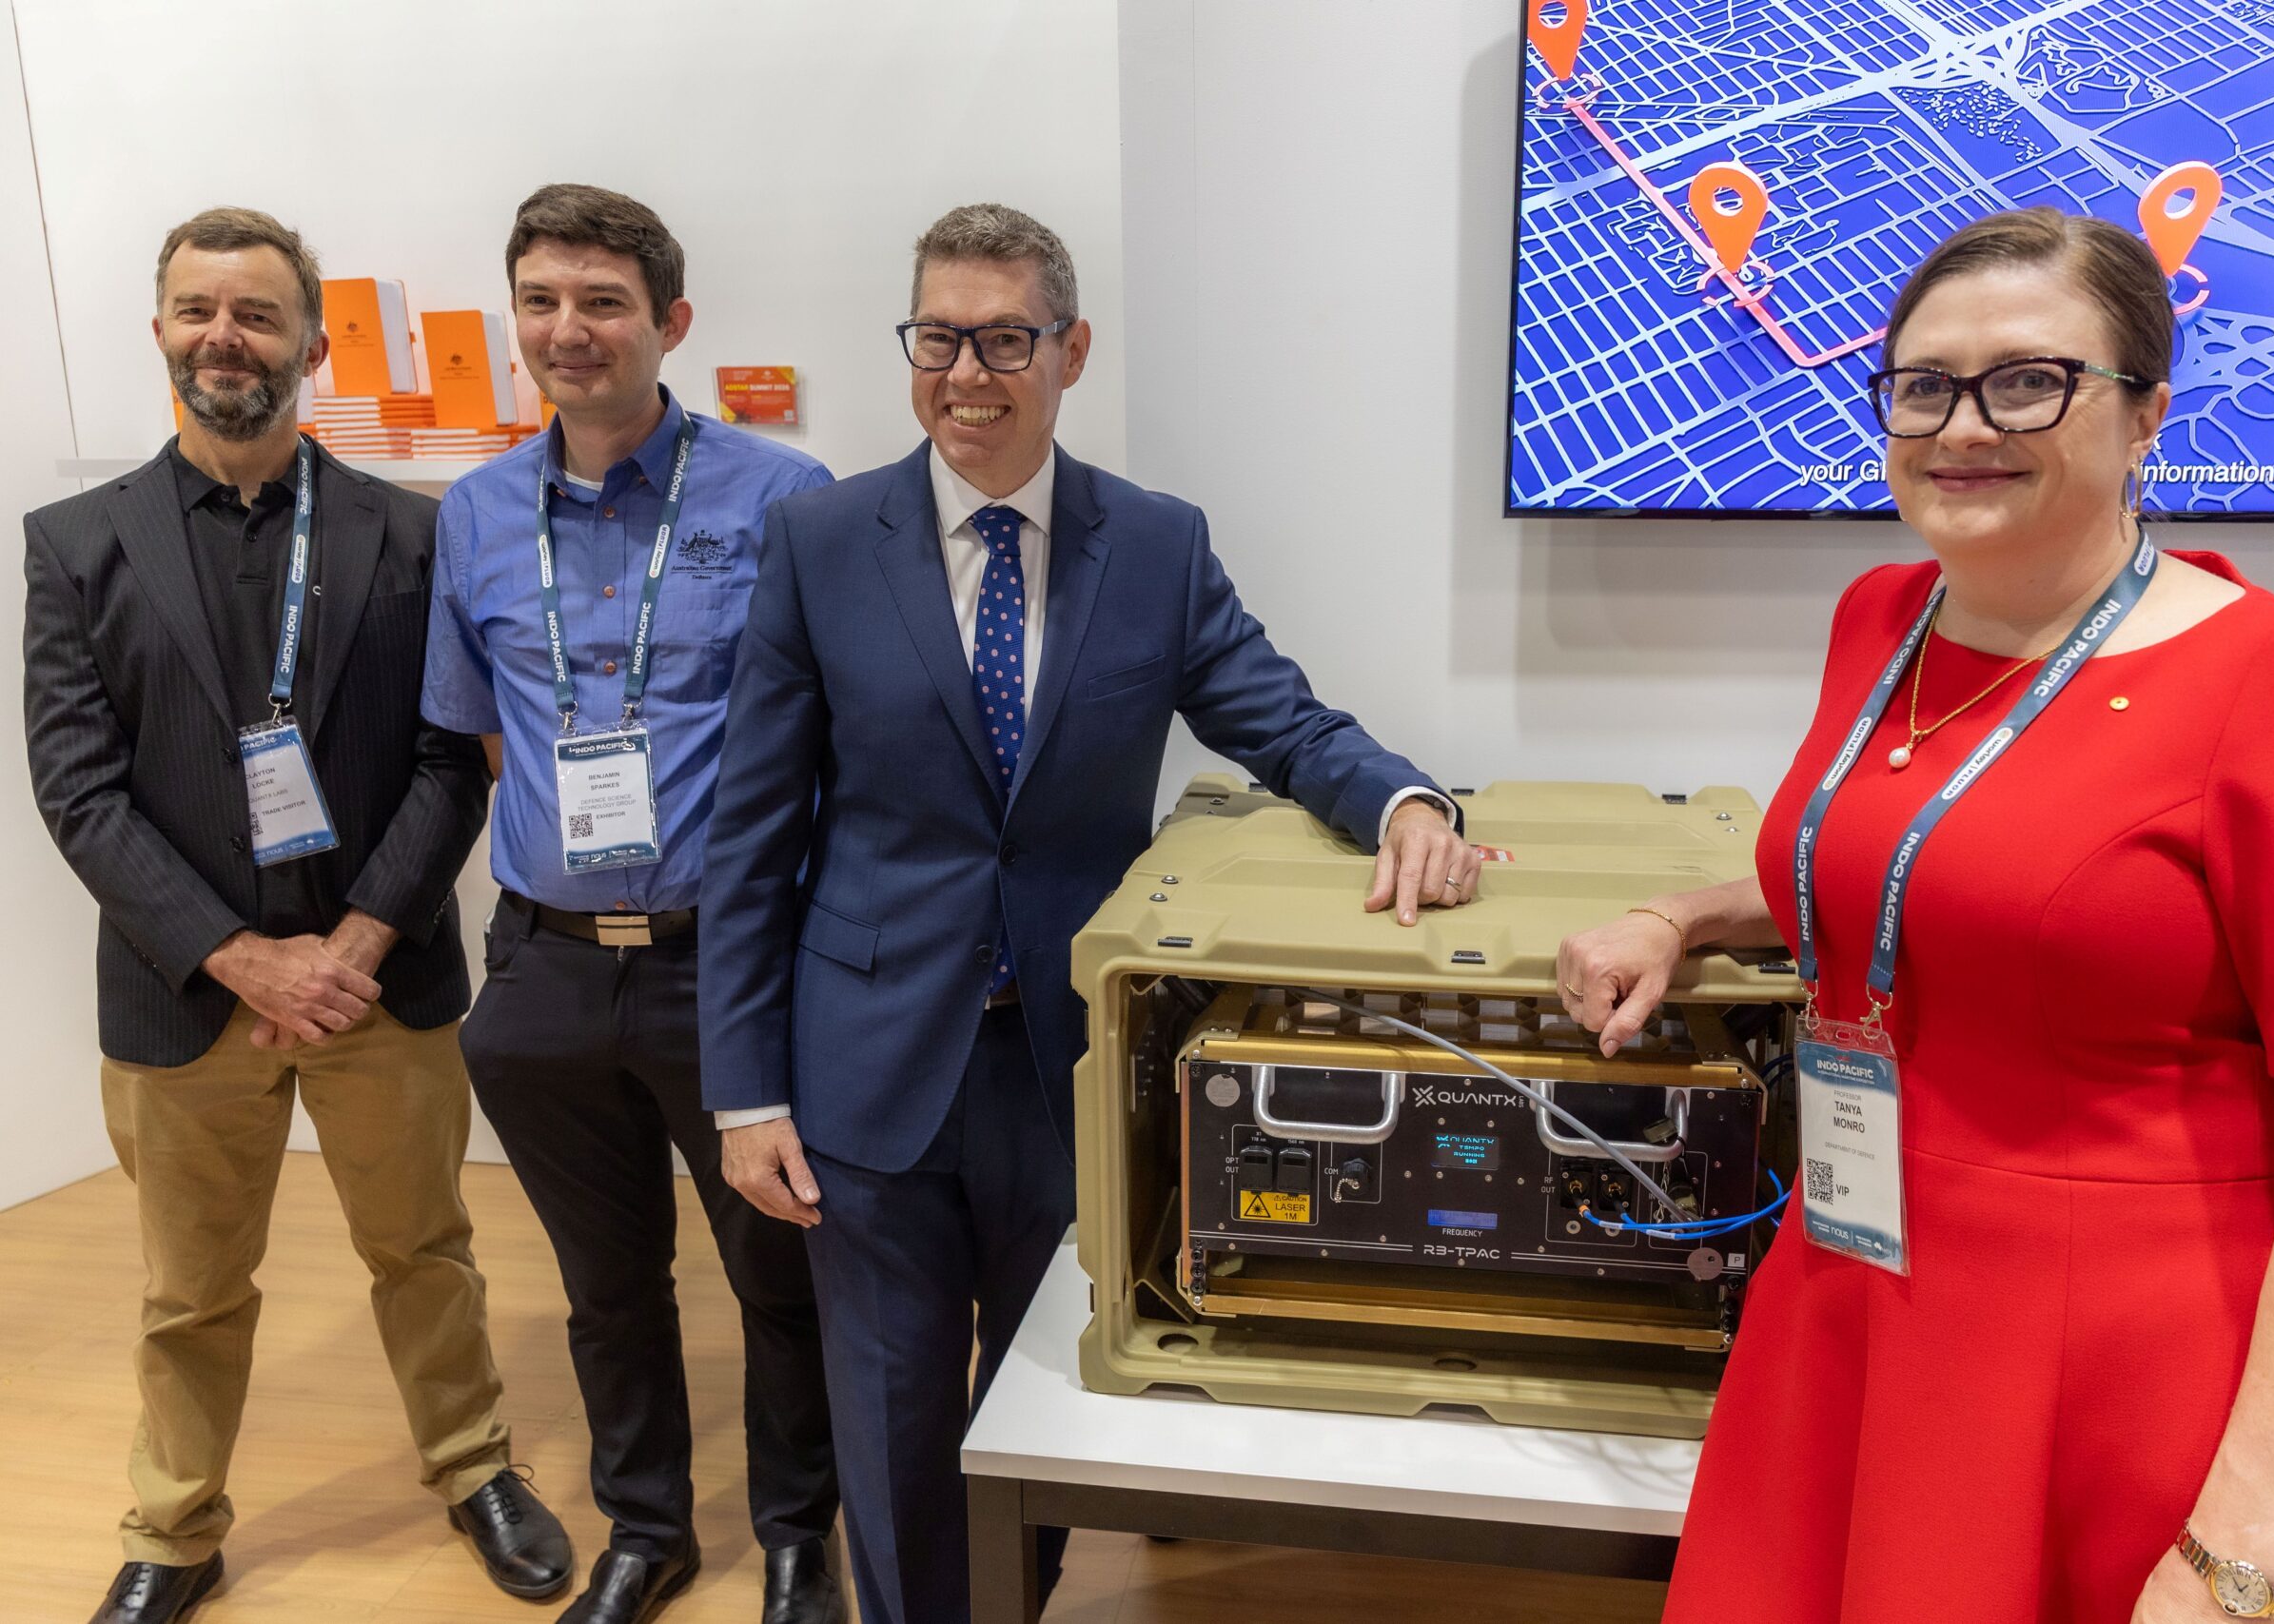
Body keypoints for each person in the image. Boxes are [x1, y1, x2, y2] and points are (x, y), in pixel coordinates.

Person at [1558, 207, 2274, 1622]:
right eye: (1924, 384)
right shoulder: (1886, 614)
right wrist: (1688, 912)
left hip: (2127, 1372)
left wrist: (2242, 1555)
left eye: (2029, 380)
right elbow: (1941, 876)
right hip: (1856, 1293)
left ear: (2147, 412)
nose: (1964, 425)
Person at [701, 201, 1481, 1624]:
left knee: (1036, 1394)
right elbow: (750, 833)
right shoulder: (820, 542)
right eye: (938, 339)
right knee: (888, 1407)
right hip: (866, 1062)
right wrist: (745, 1087)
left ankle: (1009, 1600)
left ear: (1071, 351)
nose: (969, 374)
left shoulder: (1157, 546)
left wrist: (1408, 802)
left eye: (1006, 339)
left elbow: (1283, 721)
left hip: (1068, 1058)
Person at [23, 206, 571, 1624]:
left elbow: (455, 759)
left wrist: (353, 943)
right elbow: (78, 792)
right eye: (200, 309)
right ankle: (174, 1525)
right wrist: (240, 954)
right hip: (182, 992)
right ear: (159, 332)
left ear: (313, 343)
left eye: (258, 314)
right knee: (189, 1292)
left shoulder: (417, 531)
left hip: (377, 982)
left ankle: (473, 1466)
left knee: (426, 1252)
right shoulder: (76, 545)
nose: (226, 337)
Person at [421, 184, 843, 1624]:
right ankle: (646, 1531)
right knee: (607, 1289)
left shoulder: (784, 499)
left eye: (601, 301)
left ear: (669, 322)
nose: (566, 329)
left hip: (725, 963)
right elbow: (484, 737)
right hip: (544, 966)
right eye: (540, 299)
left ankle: (798, 1533)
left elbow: (839, 738)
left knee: (779, 1276)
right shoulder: (473, 513)